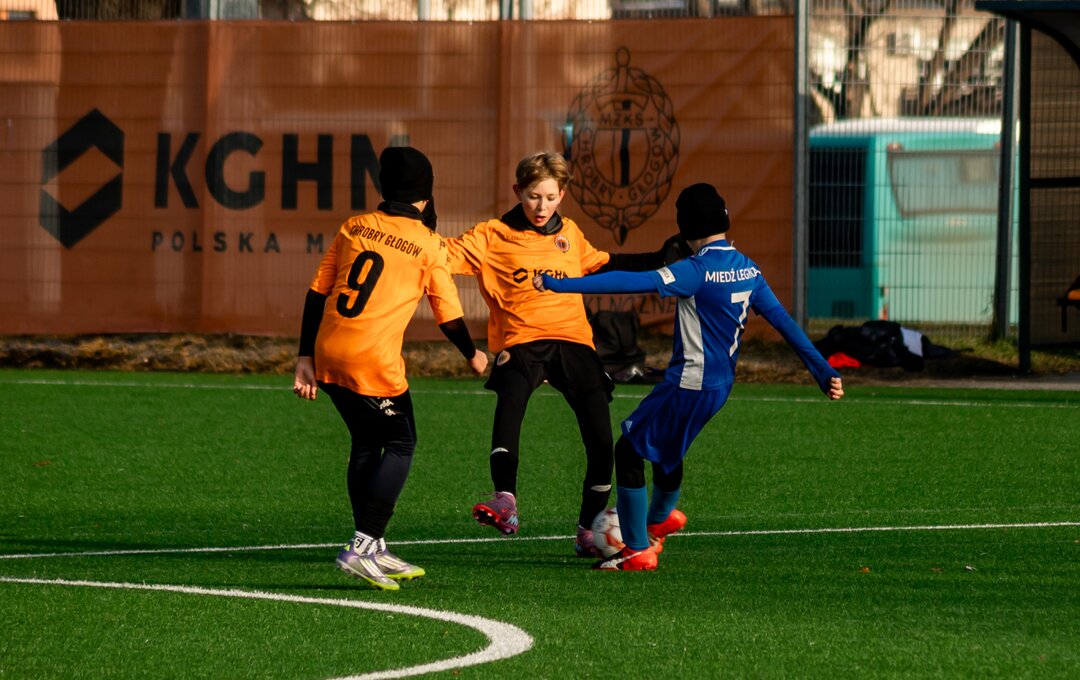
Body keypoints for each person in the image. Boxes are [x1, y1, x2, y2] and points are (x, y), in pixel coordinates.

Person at [534, 182, 844, 570]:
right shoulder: (748, 268)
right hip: (718, 387)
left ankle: (637, 548)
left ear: (685, 228)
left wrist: (561, 284)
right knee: (667, 451)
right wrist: (822, 371)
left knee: (628, 451)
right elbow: (784, 322)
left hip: (689, 384)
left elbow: (633, 282)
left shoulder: (696, 270)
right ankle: (660, 519)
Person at [446, 151, 689, 556]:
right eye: (533, 196)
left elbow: (606, 264)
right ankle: (505, 499)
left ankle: (587, 531)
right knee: (510, 399)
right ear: (517, 191)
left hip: (575, 341)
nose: (541, 206)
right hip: (523, 340)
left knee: (601, 441)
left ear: (562, 195)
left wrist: (657, 259)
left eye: (550, 197)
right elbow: (441, 256)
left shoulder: (570, 234)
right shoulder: (491, 235)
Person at [293, 146, 488, 590]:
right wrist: (473, 354)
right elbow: (448, 316)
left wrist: (304, 357)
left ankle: (374, 545)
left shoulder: (355, 225)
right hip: (372, 363)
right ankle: (361, 545)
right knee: (401, 442)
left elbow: (316, 293)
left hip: (327, 351)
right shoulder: (428, 243)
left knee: (366, 441)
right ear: (425, 194)